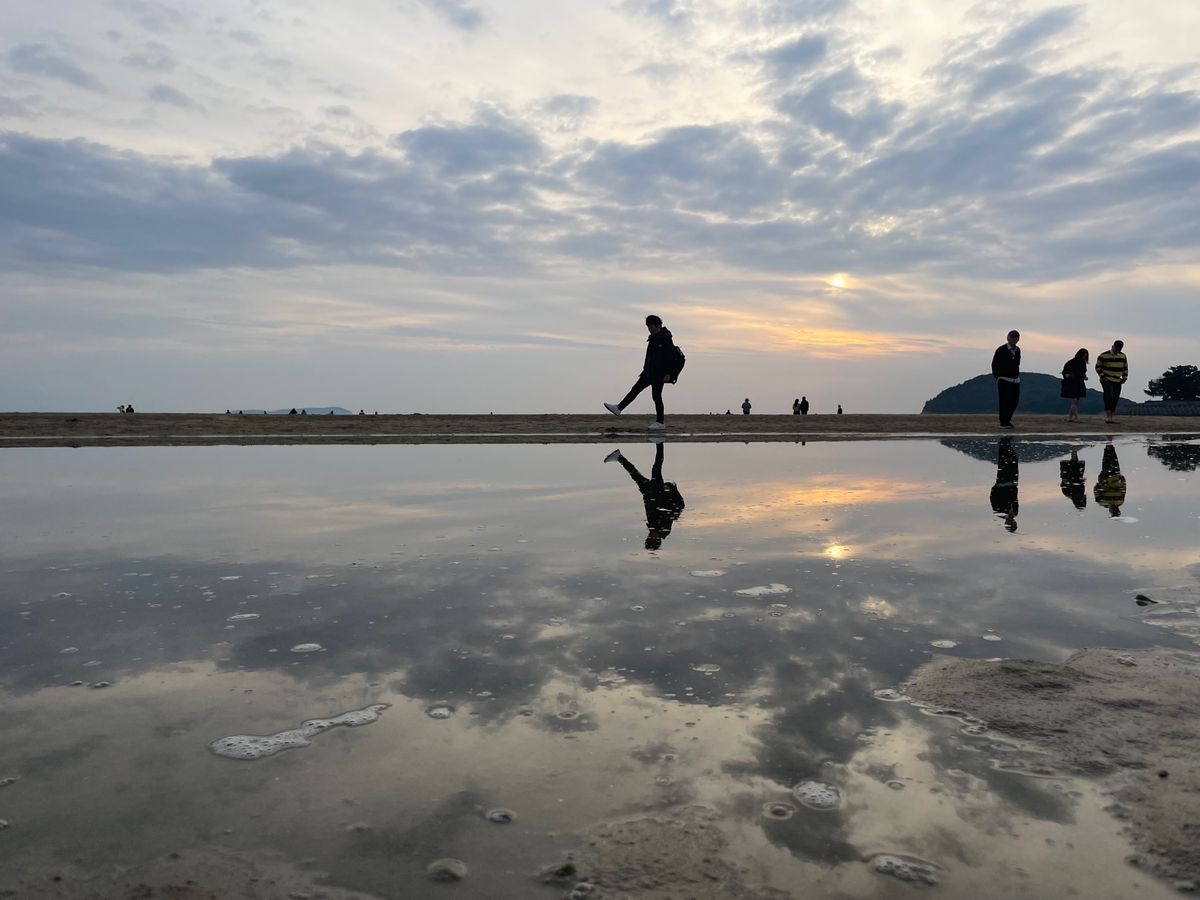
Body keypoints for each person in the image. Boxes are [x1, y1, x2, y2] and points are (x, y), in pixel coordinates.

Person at [604, 315, 681, 431]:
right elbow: (650, 357)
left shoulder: (665, 338)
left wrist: (668, 374)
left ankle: (660, 423)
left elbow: (669, 358)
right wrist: (645, 370)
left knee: (656, 397)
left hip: (658, 374)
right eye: (648, 327)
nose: (650, 329)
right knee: (635, 390)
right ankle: (619, 408)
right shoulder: (653, 338)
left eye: (651, 327)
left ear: (658, 325)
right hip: (648, 372)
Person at [604, 441, 685, 550]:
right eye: (652, 538)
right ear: (658, 539)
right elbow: (668, 508)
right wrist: (668, 490)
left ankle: (619, 457)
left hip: (648, 494)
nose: (651, 536)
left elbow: (651, 510)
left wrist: (647, 498)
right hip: (657, 491)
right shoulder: (664, 529)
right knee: (656, 466)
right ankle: (659, 443)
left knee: (635, 474)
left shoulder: (653, 528)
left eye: (649, 537)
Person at [990, 330, 1021, 428]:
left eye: (1016, 337)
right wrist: (998, 376)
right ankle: (1003, 422)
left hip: (1015, 380)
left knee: (1014, 401)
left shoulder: (1018, 350)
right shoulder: (1001, 349)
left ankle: (1007, 419)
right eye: (1012, 337)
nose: (1014, 339)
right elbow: (994, 364)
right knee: (1004, 401)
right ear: (1008, 337)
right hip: (1003, 379)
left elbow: (1017, 364)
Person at [989, 436, 1019, 532]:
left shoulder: (999, 513)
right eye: (1013, 524)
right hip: (1012, 484)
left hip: (1002, 484)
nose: (1012, 522)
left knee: (1004, 462)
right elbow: (1015, 499)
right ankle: (1006, 443)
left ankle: (1004, 442)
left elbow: (993, 499)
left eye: (1010, 524)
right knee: (1013, 461)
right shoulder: (1015, 512)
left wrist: (996, 487)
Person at [1095, 340, 1128, 425]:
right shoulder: (1103, 355)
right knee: (1108, 395)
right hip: (1106, 379)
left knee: (1115, 397)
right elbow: (1098, 367)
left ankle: (1112, 417)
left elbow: (1125, 367)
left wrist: (1124, 377)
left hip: (1117, 379)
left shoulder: (1123, 356)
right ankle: (1108, 416)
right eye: (1116, 348)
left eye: (1119, 349)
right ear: (1113, 346)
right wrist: (1103, 376)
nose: (1118, 350)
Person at [1093, 442, 1126, 516]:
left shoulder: (1102, 502)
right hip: (1116, 476)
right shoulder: (1120, 501)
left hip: (1105, 477)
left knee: (1106, 461)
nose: (1114, 509)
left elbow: (1096, 491)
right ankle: (1110, 445)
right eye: (1116, 510)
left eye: (1113, 511)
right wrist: (1123, 480)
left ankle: (1108, 445)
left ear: (1110, 511)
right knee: (1114, 460)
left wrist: (1100, 482)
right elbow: (1123, 490)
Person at [1060, 348, 1089, 422]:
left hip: (1077, 382)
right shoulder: (1073, 362)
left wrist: (1084, 377)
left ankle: (1070, 417)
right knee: (1075, 400)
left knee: (1075, 401)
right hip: (1073, 383)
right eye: (1084, 356)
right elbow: (1065, 372)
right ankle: (1075, 417)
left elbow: (1082, 373)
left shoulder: (1077, 362)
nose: (1084, 358)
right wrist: (1067, 376)